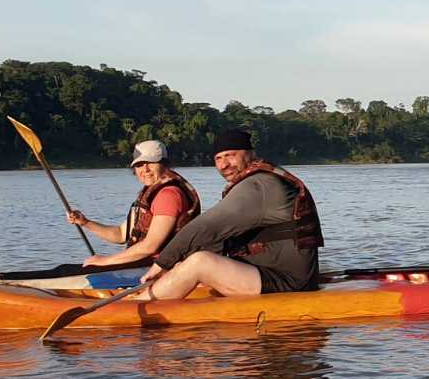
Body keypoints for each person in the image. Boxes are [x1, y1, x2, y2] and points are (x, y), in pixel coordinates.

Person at [0, 139, 201, 280]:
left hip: (153, 270)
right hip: (138, 264)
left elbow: (149, 246)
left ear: (164, 164)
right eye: (139, 165)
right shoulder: (152, 193)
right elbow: (121, 235)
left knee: (65, 272)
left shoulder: (169, 195)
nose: (144, 170)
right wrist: (86, 222)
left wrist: (105, 261)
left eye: (151, 164)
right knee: (66, 269)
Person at [134, 126, 322, 300]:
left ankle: (137, 305)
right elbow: (218, 237)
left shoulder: (260, 186)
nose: (224, 165)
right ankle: (159, 293)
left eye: (230, 155)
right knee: (195, 258)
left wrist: (162, 263)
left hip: (287, 281)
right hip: (266, 272)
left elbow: (206, 226)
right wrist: (177, 264)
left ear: (250, 154)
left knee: (200, 262)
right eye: (218, 158)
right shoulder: (254, 182)